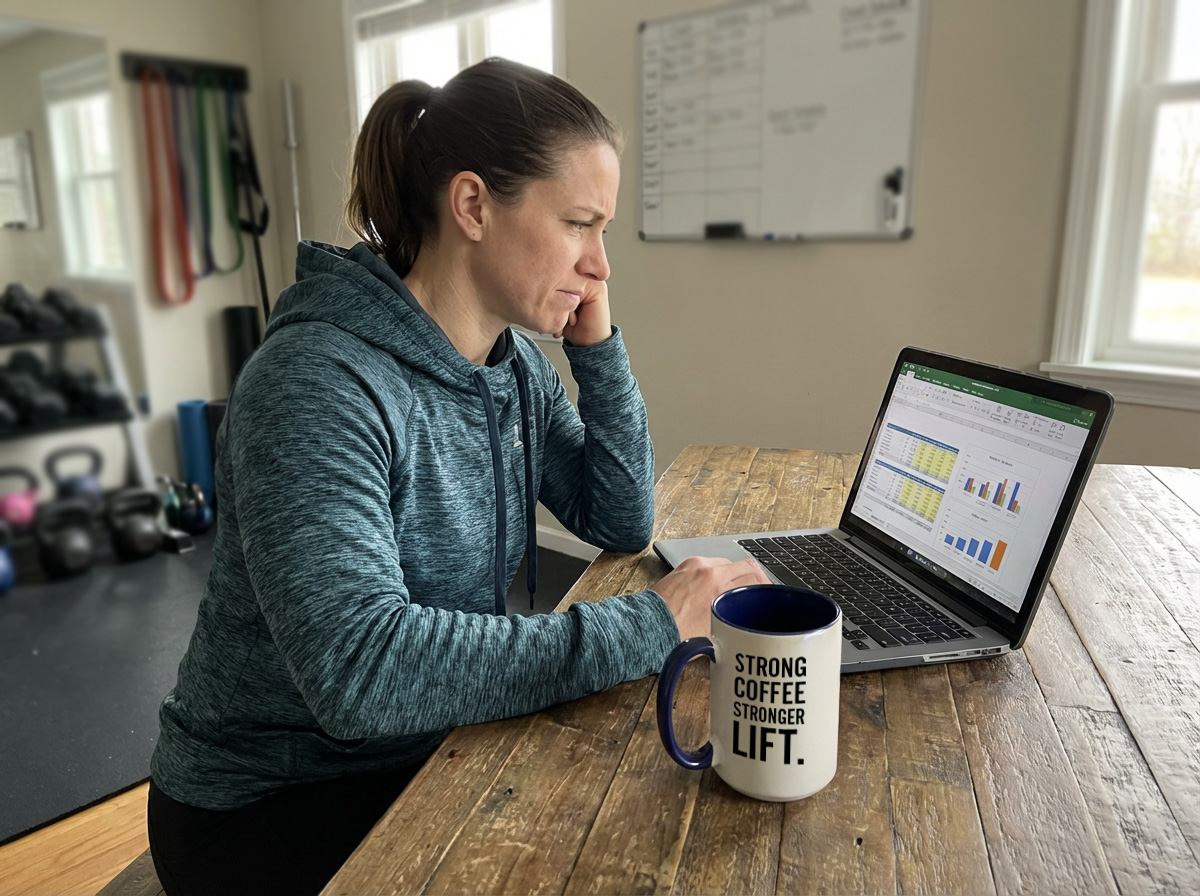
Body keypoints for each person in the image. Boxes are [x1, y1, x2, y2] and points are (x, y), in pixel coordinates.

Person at [146, 57, 768, 895]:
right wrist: (652, 624)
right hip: (268, 799)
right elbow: (362, 674)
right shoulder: (316, 384)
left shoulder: (510, 368)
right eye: (581, 223)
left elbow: (618, 515)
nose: (601, 264)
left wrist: (597, 350)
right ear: (473, 205)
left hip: (426, 738)